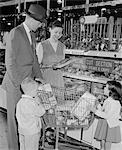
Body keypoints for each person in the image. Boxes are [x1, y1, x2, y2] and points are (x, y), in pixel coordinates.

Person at [1, 4, 46, 150]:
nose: (40, 26)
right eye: (40, 22)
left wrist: (40, 77)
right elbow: (10, 62)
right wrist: (21, 84)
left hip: (29, 85)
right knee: (15, 120)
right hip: (16, 84)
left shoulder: (32, 35)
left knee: (28, 120)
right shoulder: (15, 32)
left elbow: (34, 59)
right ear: (32, 19)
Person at [89, 80, 122, 150]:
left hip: (110, 125)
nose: (103, 89)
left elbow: (107, 115)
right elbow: (103, 111)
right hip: (105, 123)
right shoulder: (108, 100)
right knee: (103, 140)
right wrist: (98, 104)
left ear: (111, 91)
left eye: (106, 88)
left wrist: (95, 111)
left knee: (108, 141)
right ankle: (102, 148)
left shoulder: (115, 103)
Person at [16, 77, 45, 150]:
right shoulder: (32, 103)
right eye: (36, 90)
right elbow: (41, 112)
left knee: (23, 147)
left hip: (22, 130)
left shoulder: (20, 102)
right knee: (32, 147)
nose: (37, 92)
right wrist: (41, 104)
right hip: (32, 131)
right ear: (31, 91)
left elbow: (17, 115)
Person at [36, 20, 66, 88]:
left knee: (59, 98)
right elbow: (37, 66)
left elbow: (62, 63)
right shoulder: (42, 45)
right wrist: (49, 66)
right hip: (46, 79)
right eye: (56, 32)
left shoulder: (63, 46)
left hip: (59, 80)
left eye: (60, 33)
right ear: (49, 29)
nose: (58, 35)